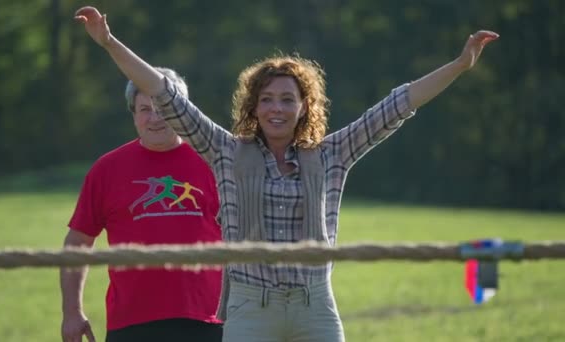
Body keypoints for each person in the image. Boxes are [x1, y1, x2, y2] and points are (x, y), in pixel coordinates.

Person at [74, 6, 498, 342]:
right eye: (267, 99)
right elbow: (166, 96)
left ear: (303, 107)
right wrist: (110, 42)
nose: (276, 108)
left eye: (287, 99)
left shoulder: (332, 154)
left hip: (314, 306)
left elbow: (398, 105)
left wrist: (460, 65)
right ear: (253, 107)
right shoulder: (225, 151)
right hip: (247, 310)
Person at [59, 67, 223, 342]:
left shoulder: (215, 162)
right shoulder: (107, 169)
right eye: (145, 109)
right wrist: (72, 311)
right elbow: (77, 242)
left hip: (208, 318)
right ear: (133, 114)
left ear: (184, 111)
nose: (156, 117)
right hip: (132, 322)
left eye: (164, 107)